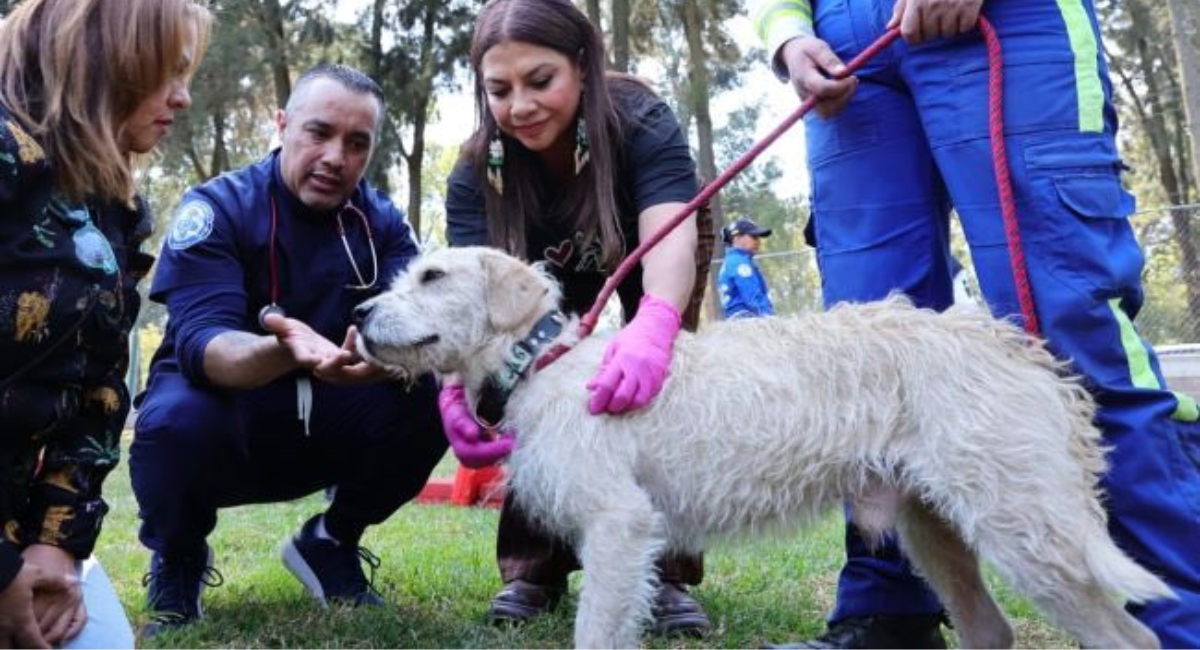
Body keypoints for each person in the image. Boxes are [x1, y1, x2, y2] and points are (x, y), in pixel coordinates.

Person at [752, 0, 1200, 647]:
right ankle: (889, 613)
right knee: (863, 367)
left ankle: (1182, 615)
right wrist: (787, 35)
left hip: (1012, 20)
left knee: (1070, 324)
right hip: (844, 53)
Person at [129, 63, 448, 636]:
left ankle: (331, 542)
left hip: (327, 413)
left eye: (357, 143)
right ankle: (178, 558)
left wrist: (381, 363)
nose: (335, 157)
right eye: (318, 133)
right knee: (172, 421)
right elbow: (206, 349)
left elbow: (423, 323)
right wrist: (288, 350)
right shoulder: (218, 208)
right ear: (283, 125)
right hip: (224, 417)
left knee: (434, 394)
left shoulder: (381, 222)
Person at [442, 0, 716, 636]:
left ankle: (666, 571)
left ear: (585, 67)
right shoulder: (477, 169)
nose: (521, 106)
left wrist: (656, 323)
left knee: (659, 390)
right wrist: (456, 390)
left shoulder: (641, 120)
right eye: (499, 90)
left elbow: (670, 236)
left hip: (654, 249)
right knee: (533, 390)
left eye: (541, 81)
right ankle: (534, 565)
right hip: (537, 287)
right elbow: (471, 307)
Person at [0, 0, 212, 646]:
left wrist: (53, 547)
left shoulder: (111, 204)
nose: (182, 98)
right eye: (167, 71)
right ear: (109, 56)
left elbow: (98, 394)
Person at [718, 217, 776, 318]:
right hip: (746, 319)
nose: (758, 242)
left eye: (758, 238)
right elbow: (752, 296)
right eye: (754, 237)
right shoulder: (740, 263)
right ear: (737, 238)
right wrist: (768, 317)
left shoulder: (733, 260)